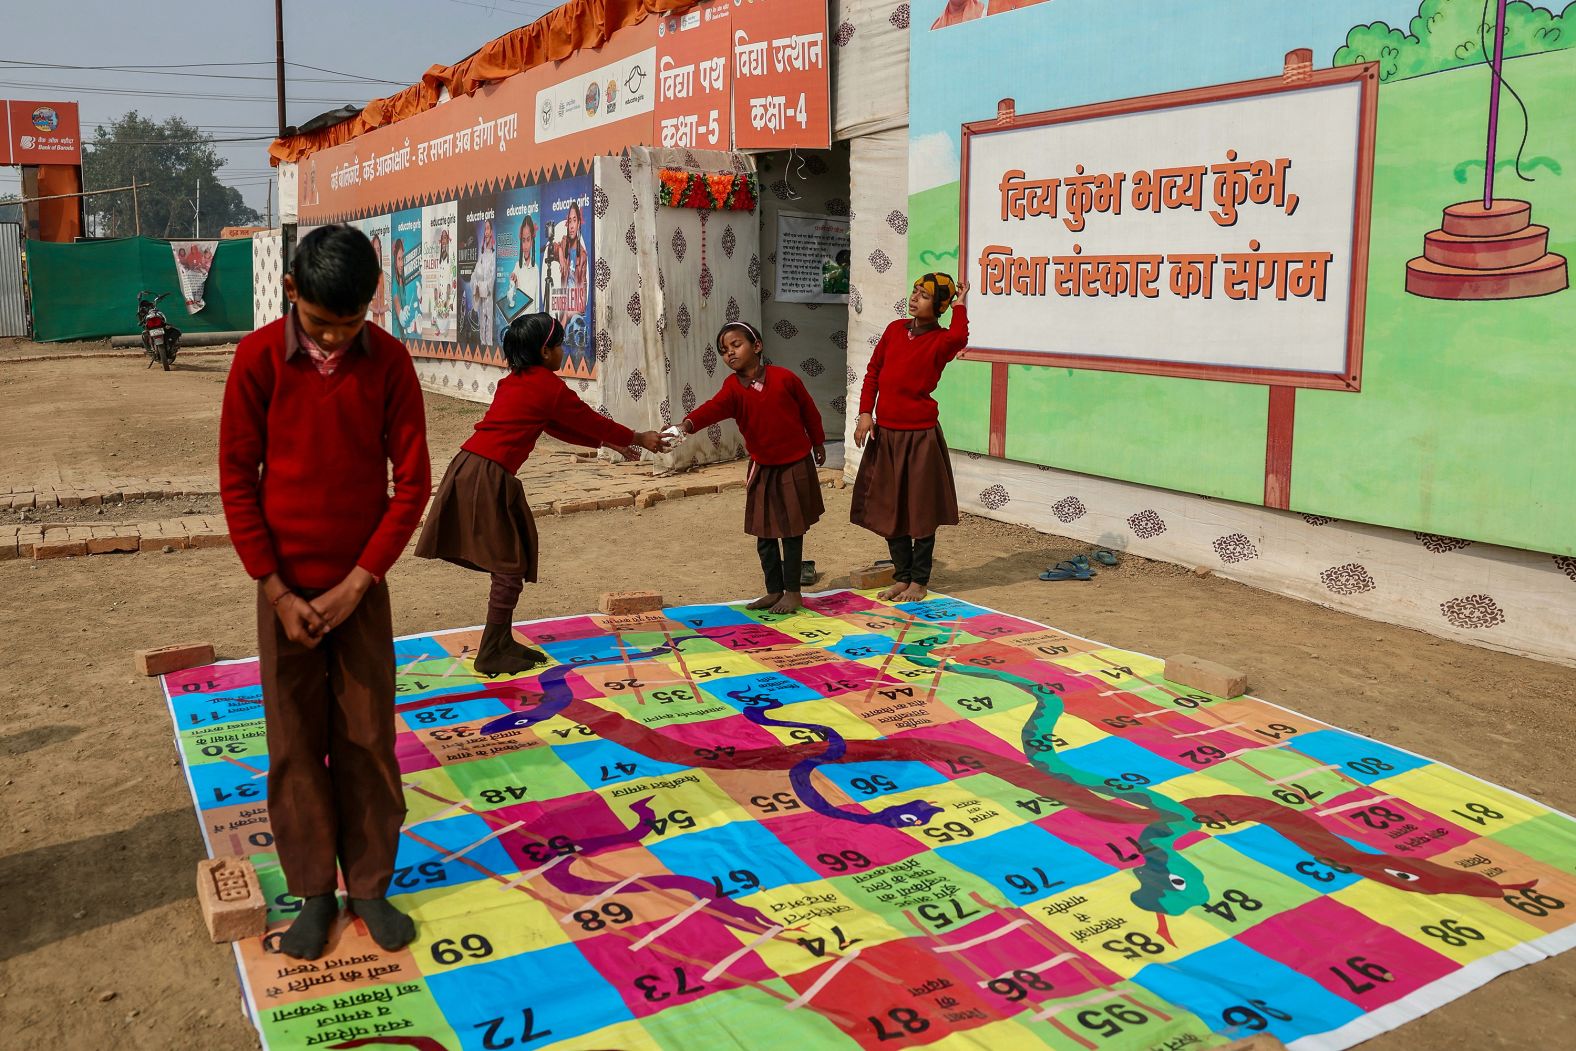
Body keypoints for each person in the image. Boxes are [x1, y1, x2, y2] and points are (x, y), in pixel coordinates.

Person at [218, 225, 431, 961]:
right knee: (295, 743)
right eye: (320, 323)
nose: (336, 338)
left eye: (352, 322)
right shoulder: (254, 361)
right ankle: (313, 889)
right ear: (290, 294)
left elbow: (413, 485)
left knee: (370, 736)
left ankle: (368, 882)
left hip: (360, 590)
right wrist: (275, 590)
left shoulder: (392, 364)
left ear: (372, 304)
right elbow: (236, 479)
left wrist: (361, 581)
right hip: (285, 594)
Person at [417, 313, 665, 673]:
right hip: (488, 474)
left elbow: (557, 426)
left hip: (475, 466)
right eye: (560, 344)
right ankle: (491, 650)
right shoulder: (547, 386)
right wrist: (637, 437)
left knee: (512, 561)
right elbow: (585, 418)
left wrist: (609, 442)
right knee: (508, 563)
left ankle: (500, 641)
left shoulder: (516, 382)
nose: (564, 351)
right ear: (545, 350)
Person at [679, 321, 826, 615]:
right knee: (765, 533)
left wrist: (818, 443)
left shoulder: (785, 379)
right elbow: (712, 408)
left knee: (792, 532)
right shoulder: (732, 389)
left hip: (794, 464)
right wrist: (686, 425)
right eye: (723, 350)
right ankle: (774, 590)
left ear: (757, 346)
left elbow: (809, 410)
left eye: (736, 345)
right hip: (763, 467)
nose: (730, 353)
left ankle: (793, 592)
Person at [850, 273, 969, 603]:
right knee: (891, 507)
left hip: (919, 437)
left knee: (920, 510)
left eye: (925, 295)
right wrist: (864, 413)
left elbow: (960, 335)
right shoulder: (893, 330)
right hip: (885, 435)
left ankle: (919, 581)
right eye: (915, 291)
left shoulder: (942, 341)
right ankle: (902, 576)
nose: (915, 297)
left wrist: (960, 305)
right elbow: (873, 372)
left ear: (940, 305)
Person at [472, 219, 497, 348]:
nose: (486, 232)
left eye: (488, 228)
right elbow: (476, 272)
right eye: (485, 229)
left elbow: (492, 276)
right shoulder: (481, 255)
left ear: (491, 231)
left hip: (488, 293)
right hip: (480, 292)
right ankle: (482, 343)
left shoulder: (493, 254)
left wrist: (486, 288)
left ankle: (489, 343)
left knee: (489, 317)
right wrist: (477, 285)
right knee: (482, 317)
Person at [508, 214, 539, 315]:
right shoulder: (517, 266)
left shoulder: (536, 269)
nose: (525, 245)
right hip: (519, 319)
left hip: (532, 322)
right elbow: (512, 293)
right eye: (523, 240)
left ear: (532, 240)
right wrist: (513, 280)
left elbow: (537, 303)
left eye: (528, 240)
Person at [368, 233, 389, 330]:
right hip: (370, 322)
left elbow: (392, 298)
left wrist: (384, 308)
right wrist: (374, 309)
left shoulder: (384, 274)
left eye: (378, 250)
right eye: (374, 250)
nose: (377, 253)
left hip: (385, 322)